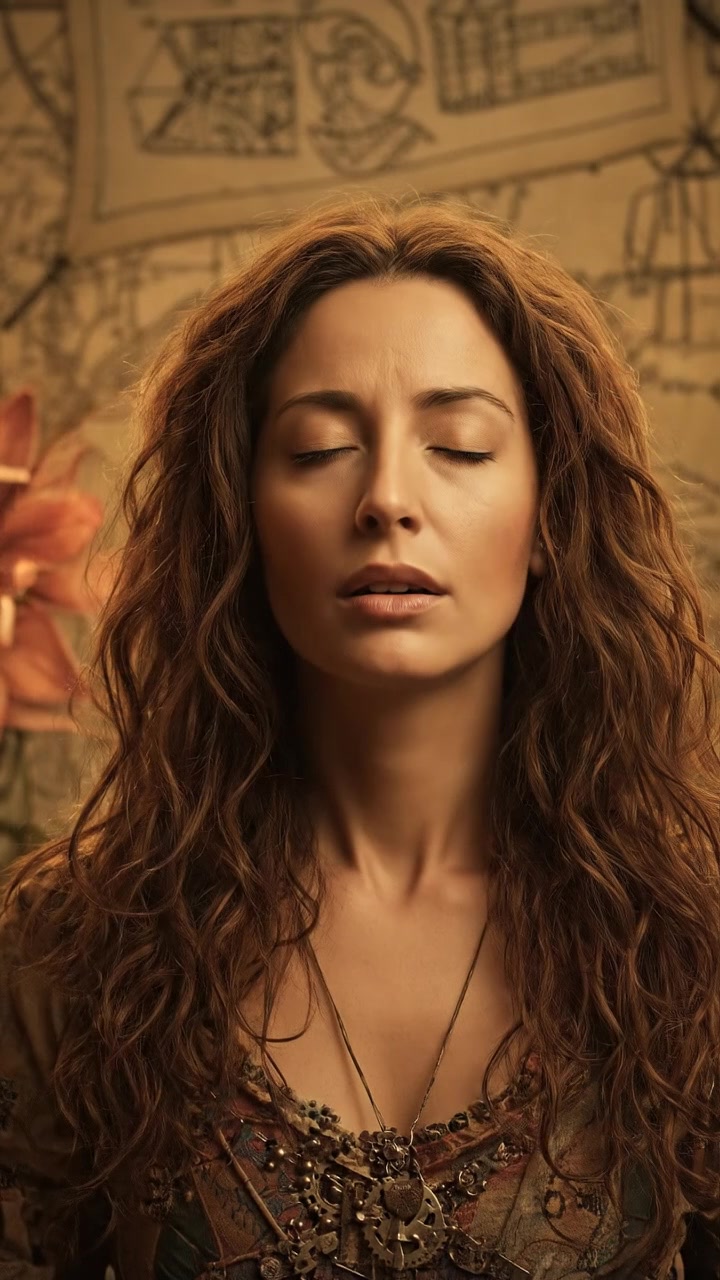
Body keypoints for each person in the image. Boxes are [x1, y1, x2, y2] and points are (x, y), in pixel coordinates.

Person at [0, 194, 719, 1280]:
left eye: (461, 446)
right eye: (323, 445)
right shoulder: (70, 952)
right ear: (240, 516)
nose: (387, 497)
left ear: (549, 518)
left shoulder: (688, 938)